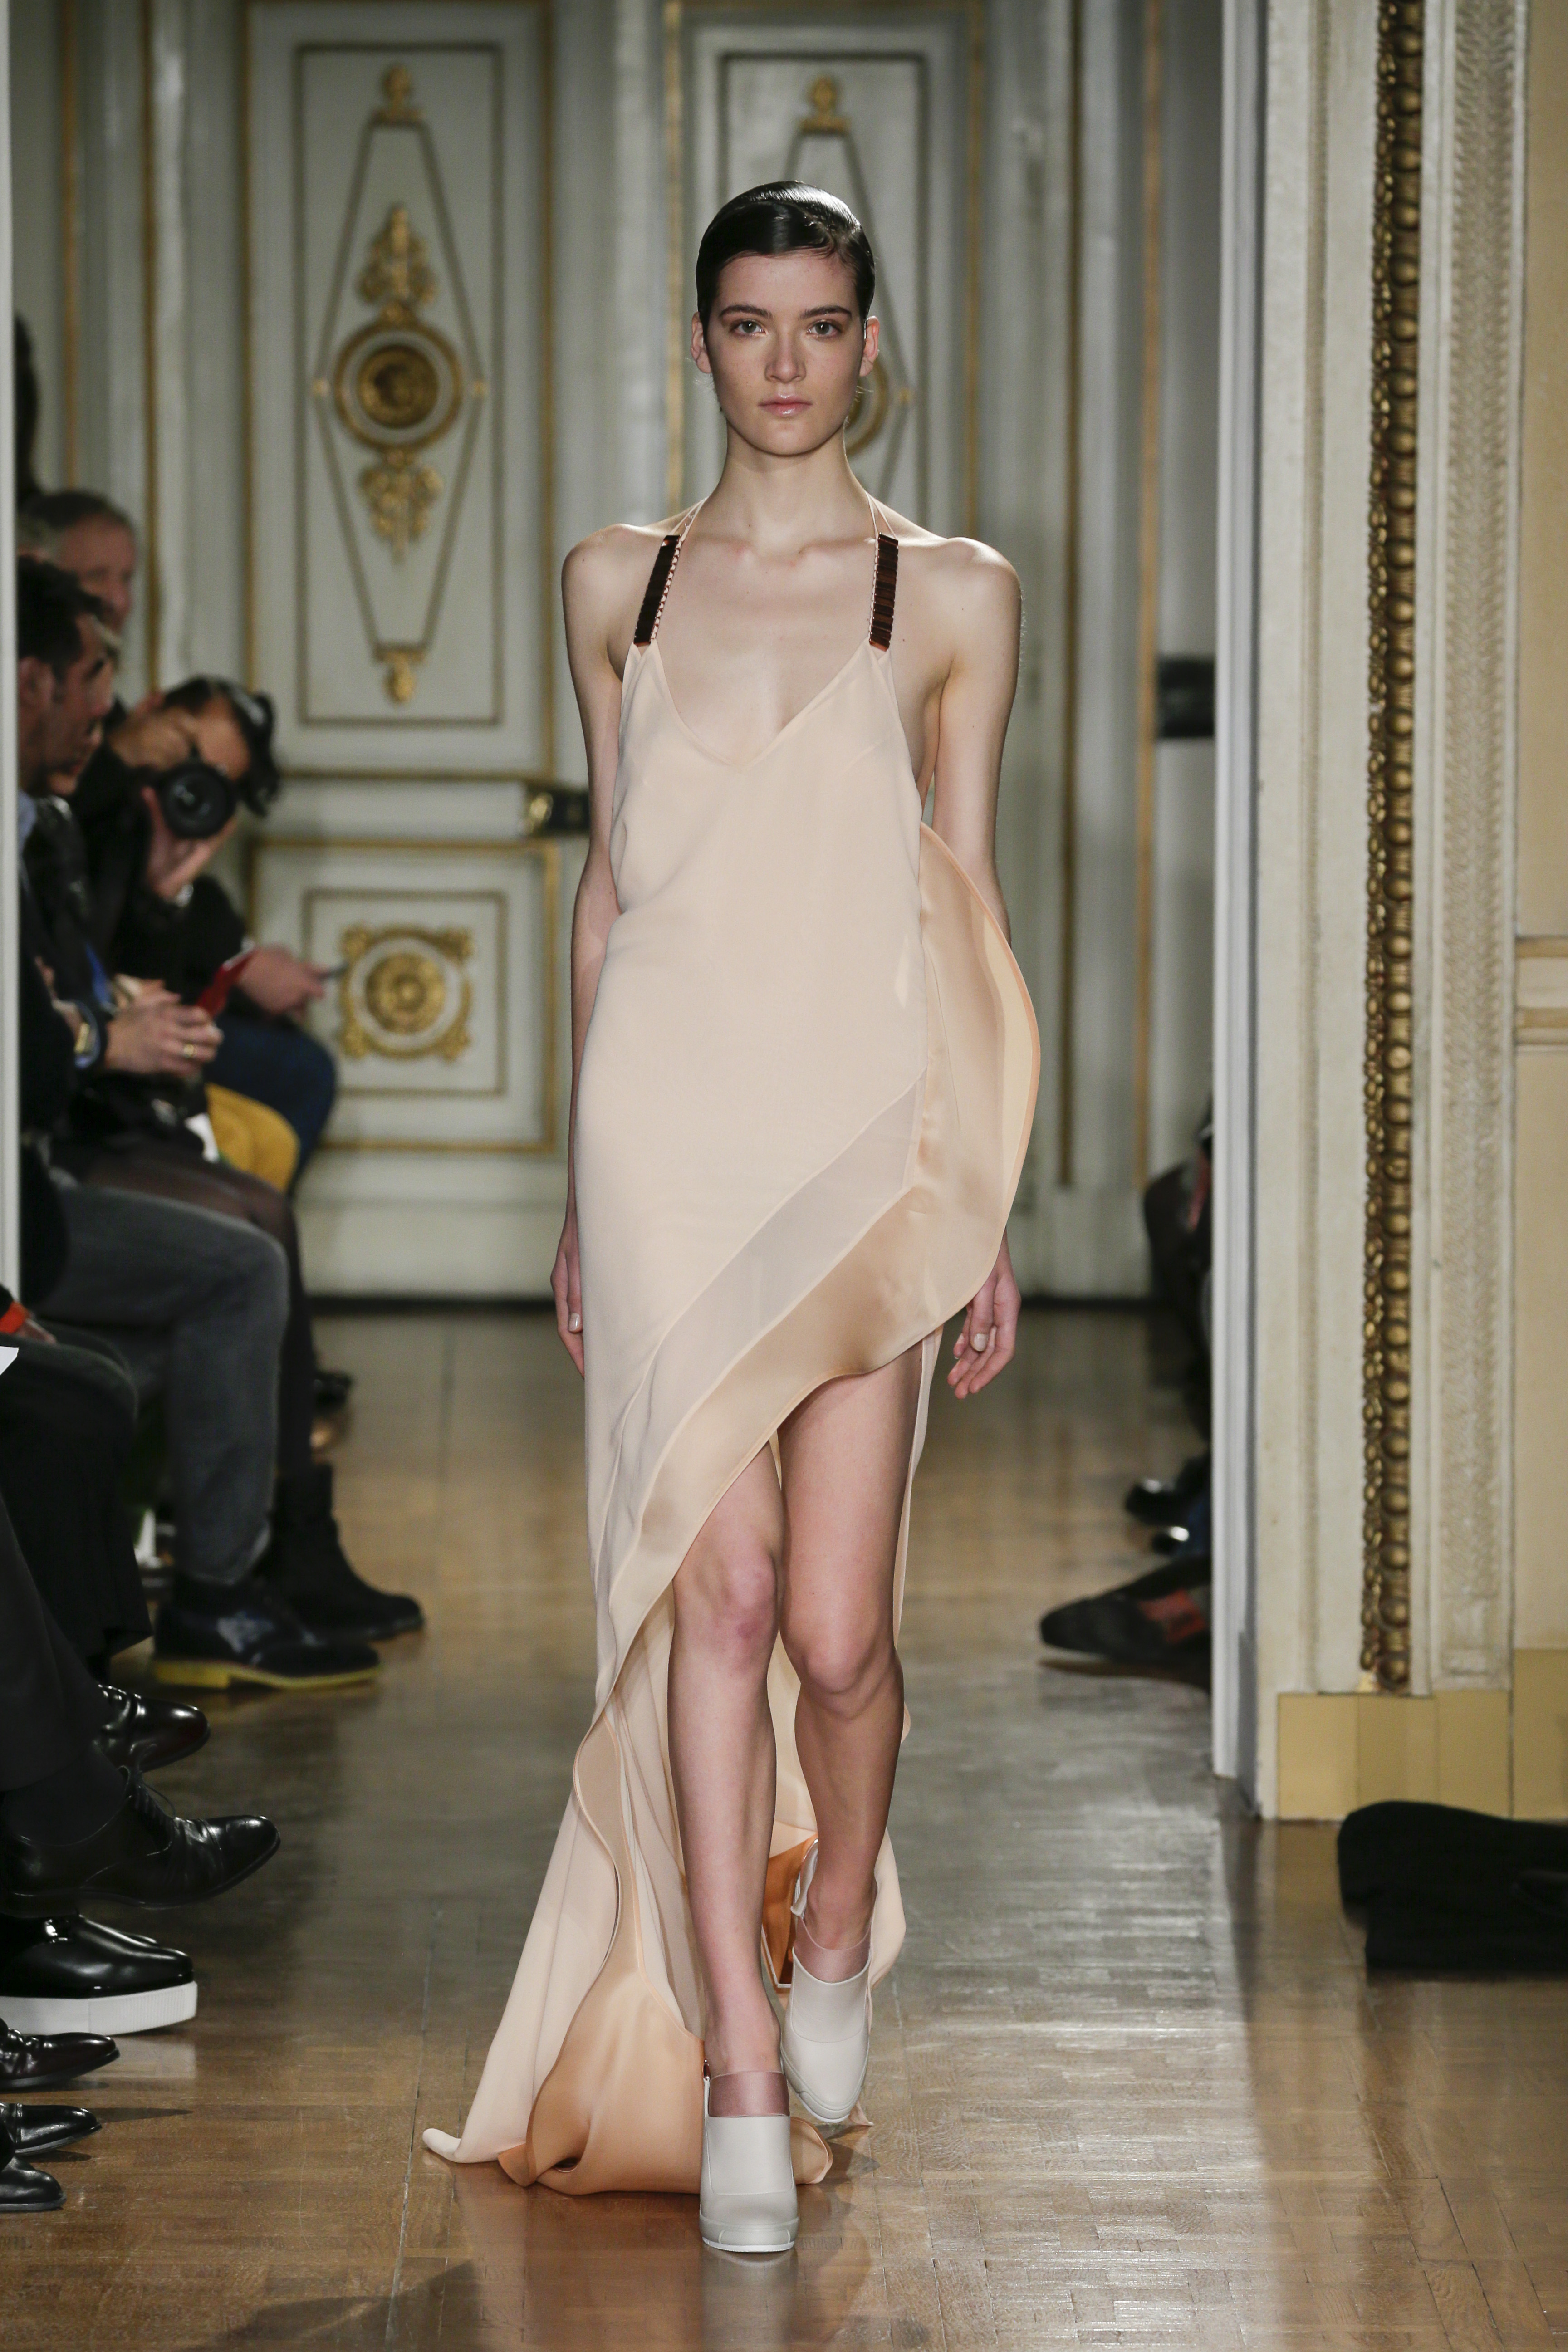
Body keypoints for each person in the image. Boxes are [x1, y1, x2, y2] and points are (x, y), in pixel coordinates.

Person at [425, 184, 1037, 2254]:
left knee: (842, 1634)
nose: (785, 361)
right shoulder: (617, 577)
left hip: (864, 1140)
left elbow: (962, 914)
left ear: (869, 343)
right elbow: (609, 884)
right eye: (749, 322)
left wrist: (983, 1195)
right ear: (699, 341)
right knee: (723, 1598)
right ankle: (737, 2064)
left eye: (820, 323)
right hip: (662, 1138)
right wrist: (573, 1194)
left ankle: (834, 1916)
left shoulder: (947, 596)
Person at [13, 560, 385, 1687]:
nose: (105, 711)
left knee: (254, 1225)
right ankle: (218, 1589)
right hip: (52, 1160)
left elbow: (100, 972)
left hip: (58, 1146)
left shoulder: (60, 814)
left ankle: (261, 1555)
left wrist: (166, 893)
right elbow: (53, 1036)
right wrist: (97, 1032)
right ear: (32, 685)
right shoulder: (65, 807)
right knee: (241, 1261)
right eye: (96, 681)